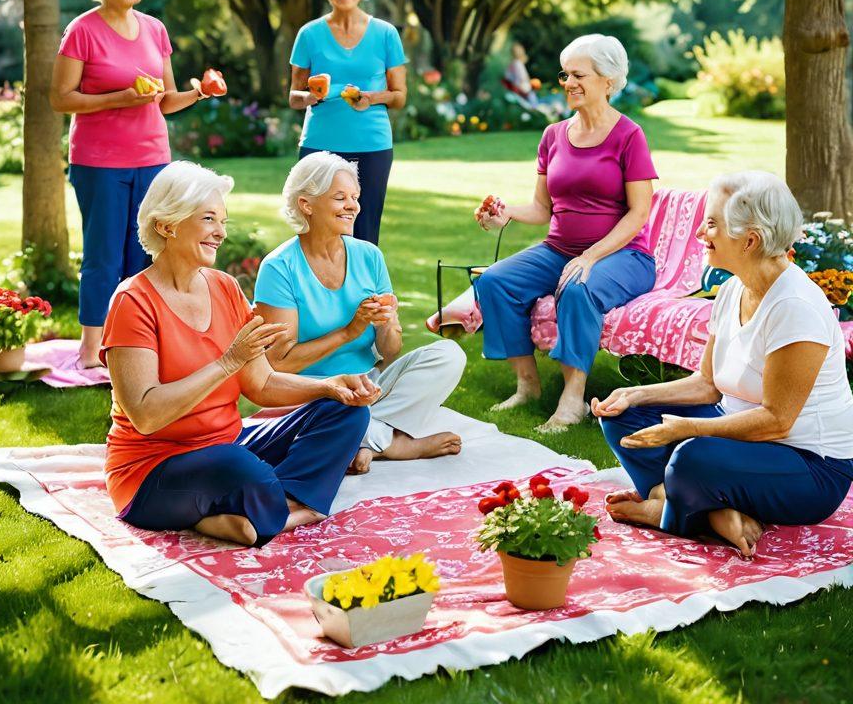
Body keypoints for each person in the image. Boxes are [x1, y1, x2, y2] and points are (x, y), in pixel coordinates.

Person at [100, 161, 378, 546]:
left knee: (347, 413)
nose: (220, 233)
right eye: (209, 219)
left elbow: (260, 384)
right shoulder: (133, 301)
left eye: (223, 221)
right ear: (167, 225)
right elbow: (146, 416)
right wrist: (227, 361)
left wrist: (329, 386)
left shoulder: (225, 287)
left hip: (227, 444)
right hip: (151, 469)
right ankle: (290, 508)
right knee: (243, 468)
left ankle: (261, 510)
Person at [593, 172, 853, 558]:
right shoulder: (733, 289)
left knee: (692, 457)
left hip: (809, 467)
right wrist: (636, 393)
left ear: (750, 240)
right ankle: (705, 509)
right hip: (738, 437)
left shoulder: (795, 307)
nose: (700, 232)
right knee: (623, 416)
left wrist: (688, 429)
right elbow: (707, 384)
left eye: (712, 223)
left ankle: (671, 508)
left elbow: (777, 421)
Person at [474, 34, 657, 432]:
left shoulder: (629, 136)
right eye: (565, 74)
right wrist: (504, 214)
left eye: (579, 74)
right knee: (494, 282)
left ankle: (573, 399)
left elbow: (639, 212)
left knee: (577, 287)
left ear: (608, 80)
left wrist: (591, 257)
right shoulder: (553, 135)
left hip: (624, 256)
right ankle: (528, 386)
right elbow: (542, 208)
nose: (568, 82)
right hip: (559, 248)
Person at [51, 0, 217, 367]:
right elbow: (61, 98)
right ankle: (91, 350)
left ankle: (136, 345)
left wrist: (196, 93)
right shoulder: (82, 30)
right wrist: (118, 98)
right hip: (99, 161)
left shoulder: (154, 29)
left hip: (152, 158)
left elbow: (163, 101)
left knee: (144, 255)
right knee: (103, 255)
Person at [255, 151, 466, 474]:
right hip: (311, 394)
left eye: (354, 197)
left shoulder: (369, 256)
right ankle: (391, 442)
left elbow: (390, 351)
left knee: (449, 355)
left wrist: (386, 324)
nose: (353, 206)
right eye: (340, 198)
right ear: (306, 205)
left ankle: (368, 441)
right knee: (333, 416)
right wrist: (349, 332)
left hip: (369, 385)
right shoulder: (279, 268)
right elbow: (278, 363)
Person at [288, 0, 407, 245]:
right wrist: (309, 98)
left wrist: (372, 98)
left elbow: (400, 96)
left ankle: (365, 292)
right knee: (315, 230)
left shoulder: (385, 34)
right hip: (319, 144)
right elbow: (293, 95)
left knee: (365, 231)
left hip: (371, 145)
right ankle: (314, 290)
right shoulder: (309, 34)